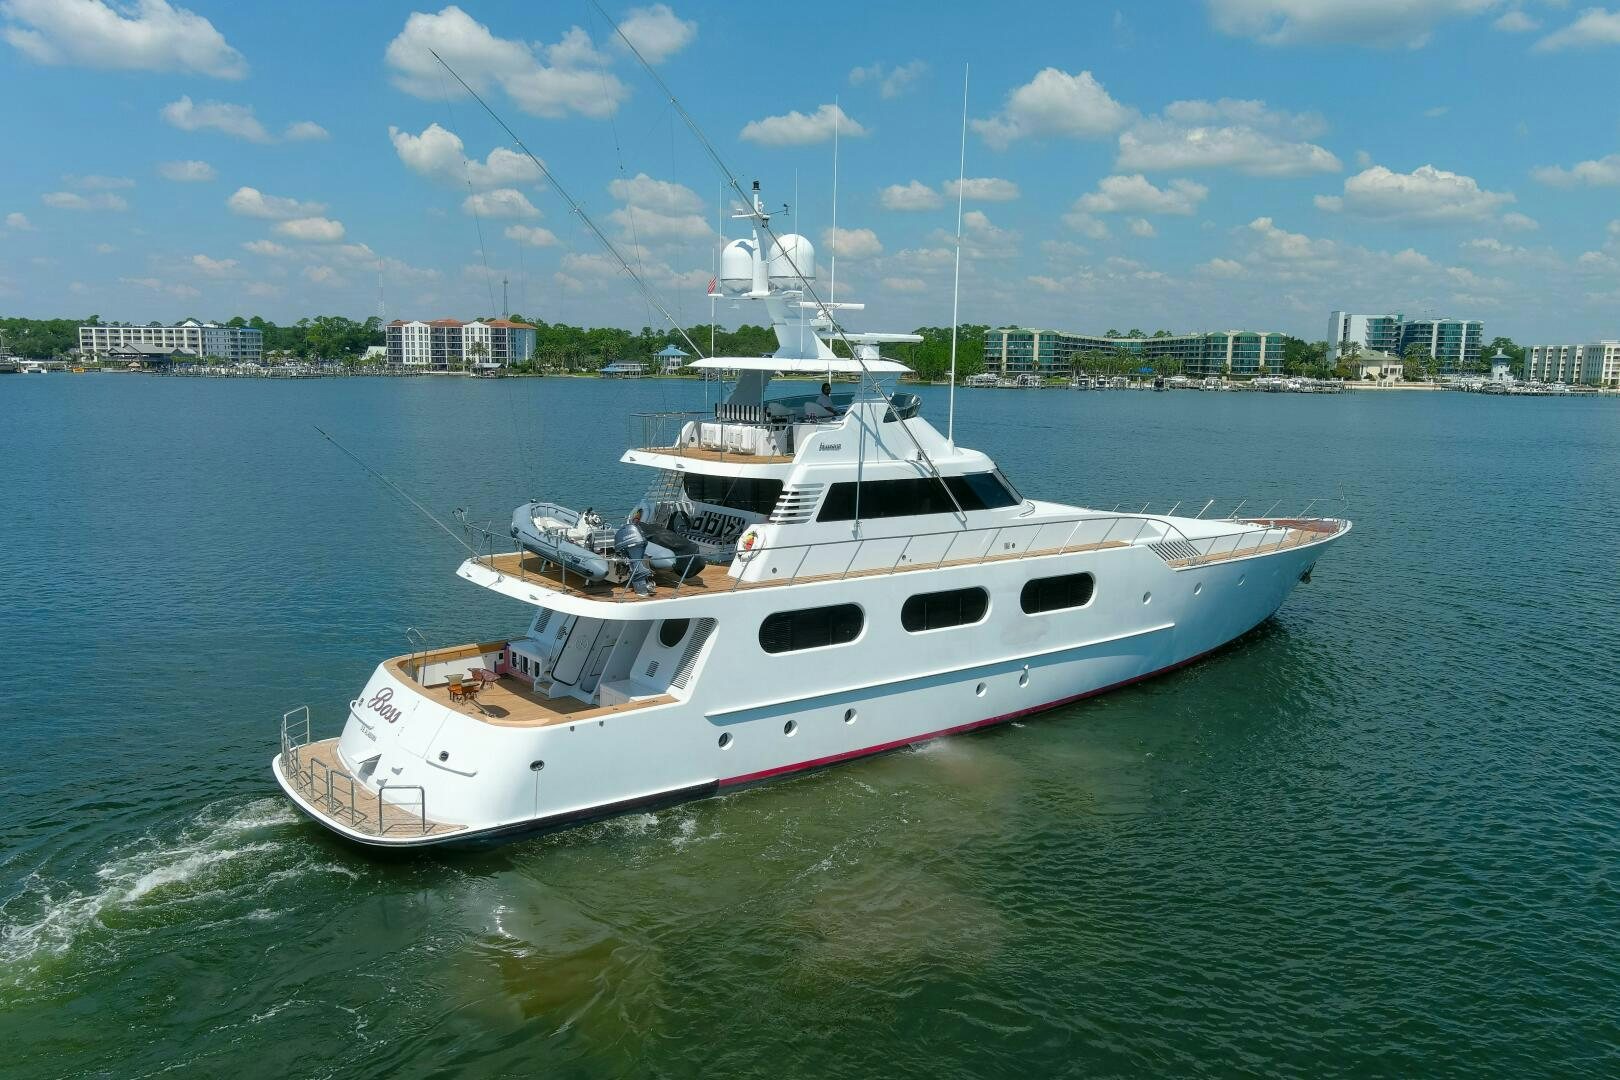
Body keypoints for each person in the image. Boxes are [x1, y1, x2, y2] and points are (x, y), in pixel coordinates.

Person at [614, 509, 655, 596]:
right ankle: (642, 588)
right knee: (637, 564)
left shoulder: (633, 529)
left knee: (636, 565)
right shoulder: (635, 529)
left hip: (635, 545)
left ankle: (642, 587)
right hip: (636, 544)